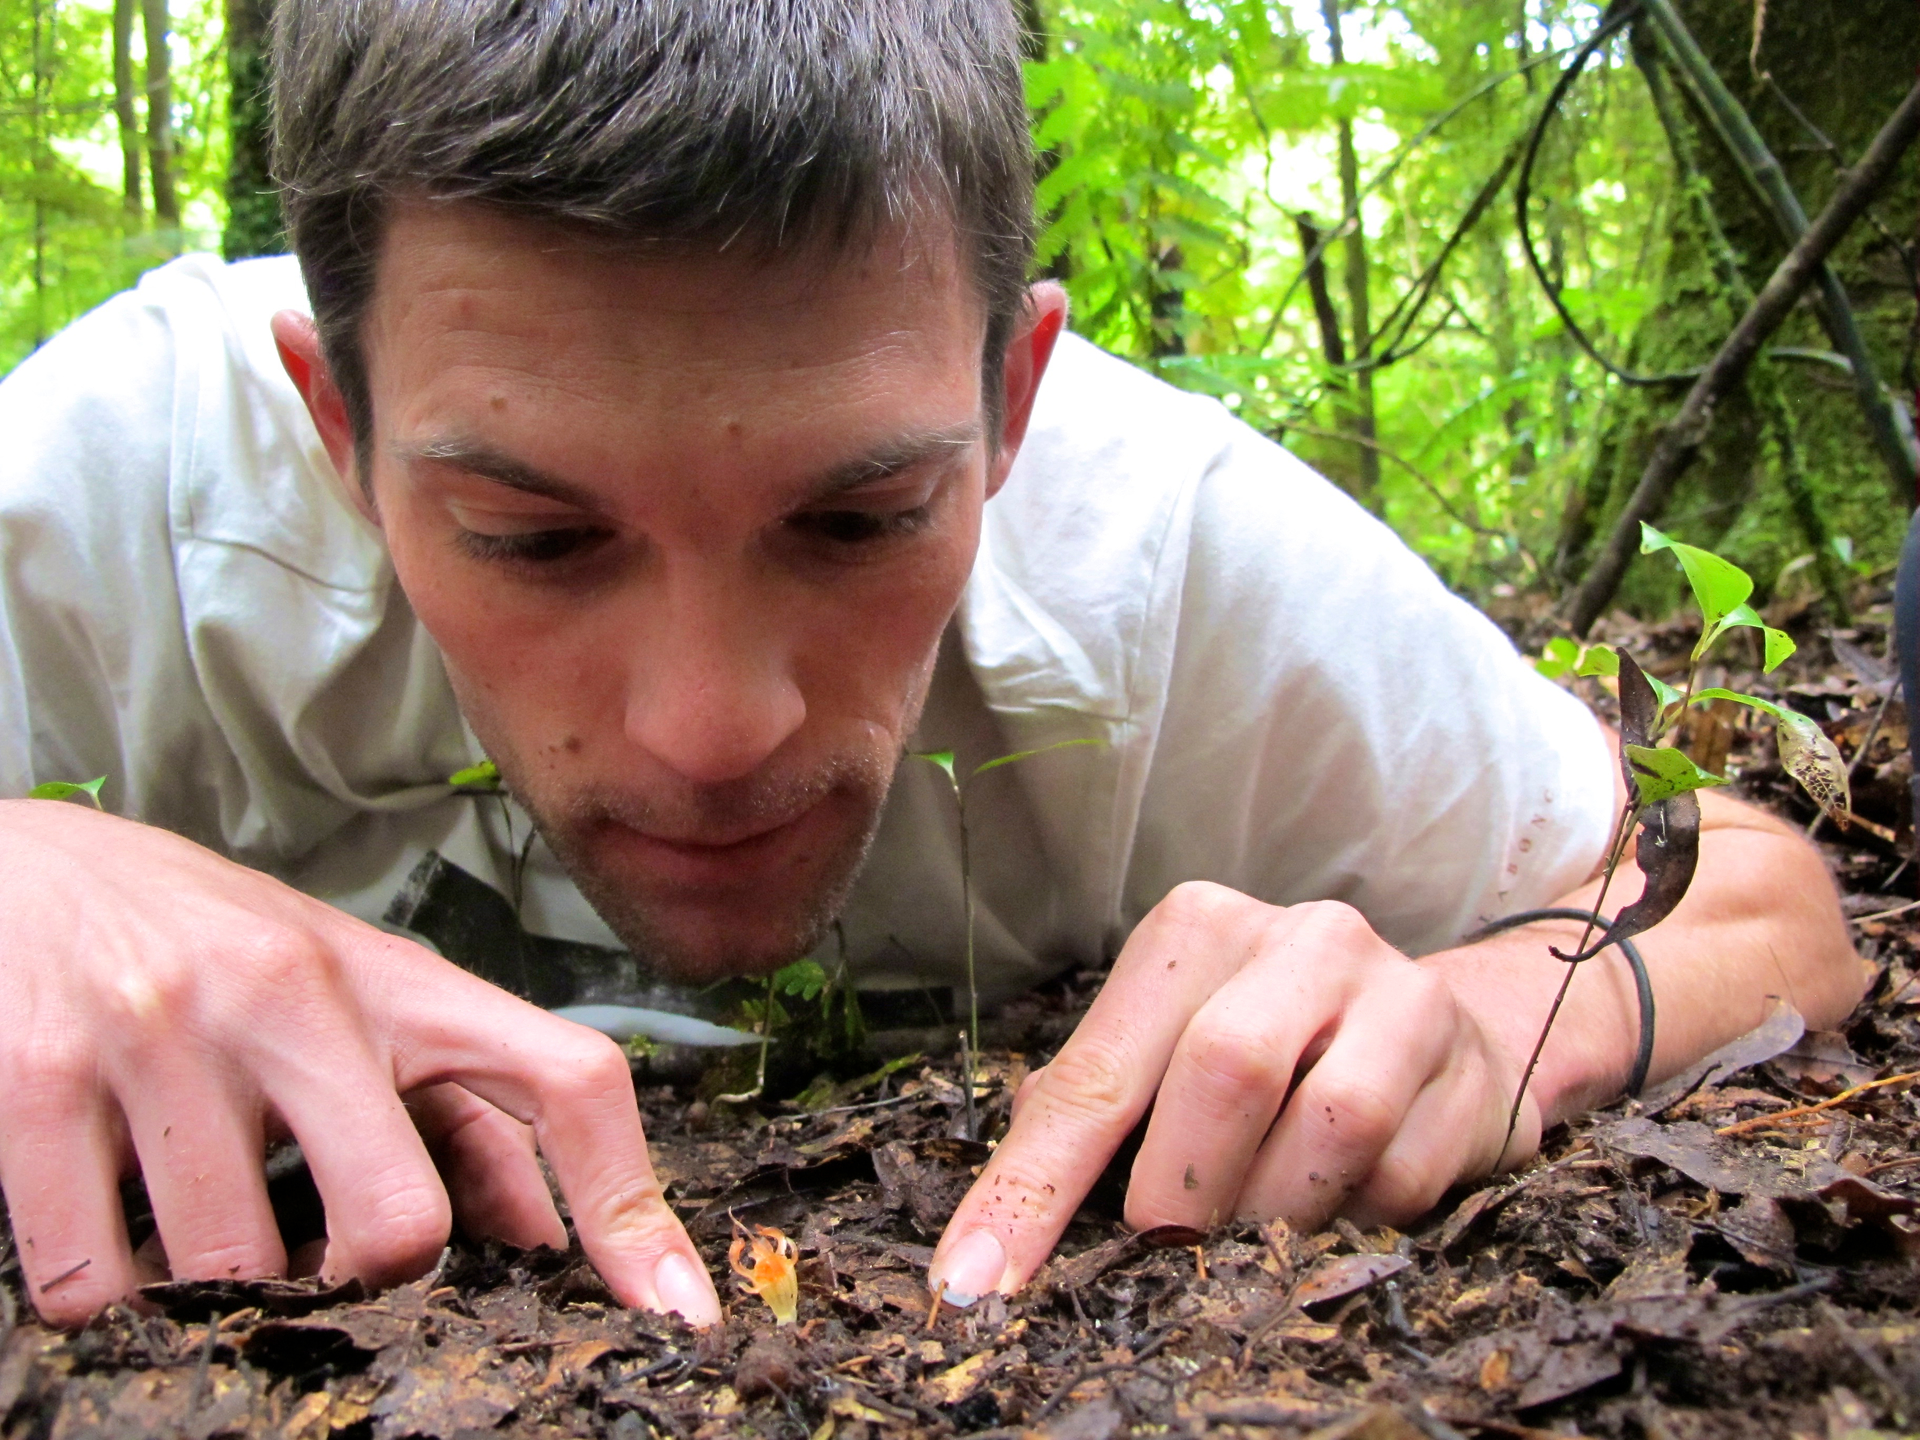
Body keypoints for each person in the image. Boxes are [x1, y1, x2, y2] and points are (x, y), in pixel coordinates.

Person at [0, 0, 1857, 1330]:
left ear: (1013, 399)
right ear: (336, 427)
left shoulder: (1169, 556)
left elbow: (1767, 909)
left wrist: (1500, 1017)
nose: (713, 730)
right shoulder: (123, 491)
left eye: (858, 518)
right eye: (537, 538)